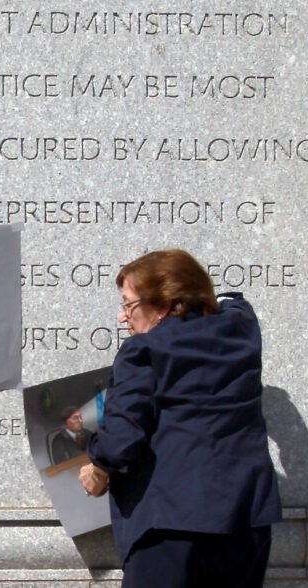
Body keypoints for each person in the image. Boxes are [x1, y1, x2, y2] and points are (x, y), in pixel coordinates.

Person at [78, 249, 281, 588]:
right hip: (247, 520)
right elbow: (231, 300)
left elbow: (120, 443)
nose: (122, 317)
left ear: (164, 304)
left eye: (129, 304)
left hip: (170, 527)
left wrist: (97, 465)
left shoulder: (142, 351)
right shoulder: (241, 326)